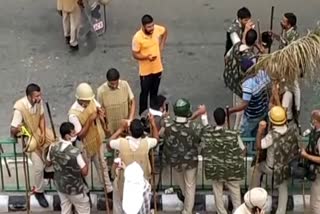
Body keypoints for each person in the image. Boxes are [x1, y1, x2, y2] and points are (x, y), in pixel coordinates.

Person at [10, 83, 54, 208]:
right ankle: (39, 191)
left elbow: (41, 117)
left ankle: (48, 171)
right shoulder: (19, 108)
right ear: (29, 96)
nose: (39, 98)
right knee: (38, 166)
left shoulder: (39, 102)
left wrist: (44, 133)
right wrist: (18, 129)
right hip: (29, 138)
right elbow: (13, 129)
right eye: (36, 96)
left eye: (39, 95)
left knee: (54, 148)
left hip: (39, 132)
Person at [68, 82, 113, 202]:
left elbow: (98, 108)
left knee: (102, 166)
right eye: (86, 101)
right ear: (80, 99)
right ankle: (85, 191)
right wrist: (90, 119)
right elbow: (80, 135)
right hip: (84, 146)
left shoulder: (92, 101)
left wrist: (101, 113)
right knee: (84, 171)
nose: (88, 103)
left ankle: (108, 190)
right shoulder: (73, 114)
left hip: (96, 140)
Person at [197, 106, 245, 214]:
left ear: (214, 119)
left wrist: (203, 114)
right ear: (226, 119)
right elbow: (243, 150)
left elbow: (205, 126)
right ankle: (237, 211)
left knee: (217, 192)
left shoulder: (209, 134)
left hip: (216, 169)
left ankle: (221, 212)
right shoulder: (233, 134)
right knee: (235, 192)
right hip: (232, 168)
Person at [252, 106, 299, 214]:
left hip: (271, 168)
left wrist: (260, 131)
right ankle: (280, 211)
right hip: (284, 168)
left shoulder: (271, 136)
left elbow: (259, 146)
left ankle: (254, 194)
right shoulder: (290, 132)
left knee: (257, 169)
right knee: (283, 187)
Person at [108, 117, 159, 214]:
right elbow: (156, 139)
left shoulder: (121, 143)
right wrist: (153, 123)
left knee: (119, 207)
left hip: (122, 182)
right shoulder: (147, 143)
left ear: (129, 131)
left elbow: (109, 142)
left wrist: (121, 129)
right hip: (142, 184)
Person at [162, 98, 203, 214]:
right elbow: (200, 140)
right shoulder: (194, 127)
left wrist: (166, 117)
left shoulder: (168, 125)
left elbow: (160, 134)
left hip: (175, 162)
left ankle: (187, 203)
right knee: (190, 186)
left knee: (182, 184)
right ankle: (187, 210)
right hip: (190, 162)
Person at [47, 122, 90, 214]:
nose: (75, 134)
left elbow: (48, 162)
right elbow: (85, 171)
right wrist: (86, 159)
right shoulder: (75, 152)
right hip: (75, 188)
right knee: (83, 208)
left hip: (60, 185)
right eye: (73, 133)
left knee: (65, 208)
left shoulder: (53, 146)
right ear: (67, 136)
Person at [132, 14, 168, 115]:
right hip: (145, 72)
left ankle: (153, 113)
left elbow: (165, 31)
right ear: (143, 26)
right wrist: (146, 57)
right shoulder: (137, 38)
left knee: (154, 92)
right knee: (144, 93)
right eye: (149, 27)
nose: (151, 28)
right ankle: (143, 115)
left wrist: (161, 46)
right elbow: (135, 54)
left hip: (157, 68)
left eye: (152, 25)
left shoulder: (157, 29)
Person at [224, 29, 258, 130]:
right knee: (240, 111)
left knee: (236, 103)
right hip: (243, 87)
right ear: (254, 42)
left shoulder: (236, 46)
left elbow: (226, 58)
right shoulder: (252, 58)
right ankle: (237, 130)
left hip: (233, 82)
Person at [228, 65, 270, 138]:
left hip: (252, 115)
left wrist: (230, 111)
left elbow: (244, 104)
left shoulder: (247, 85)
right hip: (263, 110)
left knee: (243, 134)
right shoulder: (262, 73)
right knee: (256, 130)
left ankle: (247, 147)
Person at [97, 68, 136, 134]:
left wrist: (130, 119)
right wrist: (104, 126)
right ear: (107, 81)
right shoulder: (101, 91)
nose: (114, 86)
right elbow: (100, 111)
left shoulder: (125, 85)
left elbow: (132, 102)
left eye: (116, 83)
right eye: (112, 84)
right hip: (111, 126)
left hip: (125, 125)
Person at [300, 110, 320, 213]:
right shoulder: (314, 131)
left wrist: (306, 155)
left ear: (316, 121)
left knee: (315, 204)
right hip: (314, 171)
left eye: (313, 119)